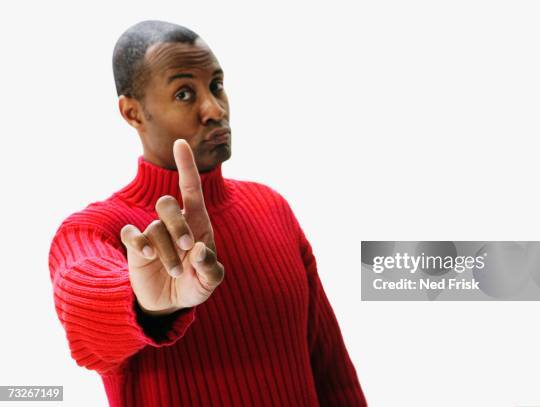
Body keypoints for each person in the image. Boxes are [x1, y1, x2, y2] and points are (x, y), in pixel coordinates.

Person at [48, 20, 367, 407]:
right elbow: (82, 315)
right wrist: (147, 304)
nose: (214, 109)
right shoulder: (94, 229)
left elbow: (332, 371)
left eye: (216, 85)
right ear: (133, 113)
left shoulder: (272, 206)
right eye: (184, 93)